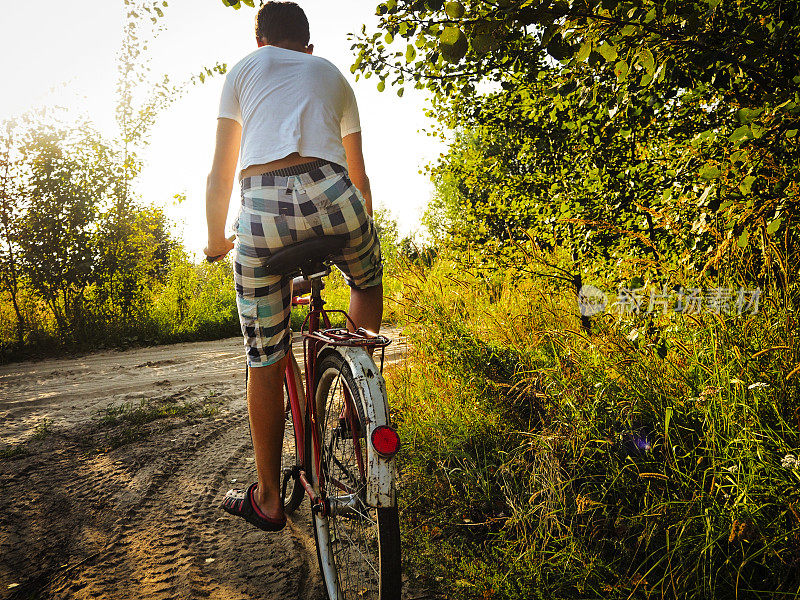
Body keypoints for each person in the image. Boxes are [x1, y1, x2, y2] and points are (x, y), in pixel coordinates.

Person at [203, 1, 383, 532]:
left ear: (261, 43)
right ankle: (358, 402)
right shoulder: (331, 73)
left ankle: (268, 498)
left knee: (264, 358)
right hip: (336, 198)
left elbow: (219, 173)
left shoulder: (243, 69)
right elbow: (362, 180)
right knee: (366, 280)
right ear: (309, 46)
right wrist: (355, 232)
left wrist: (217, 242)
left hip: (261, 212)